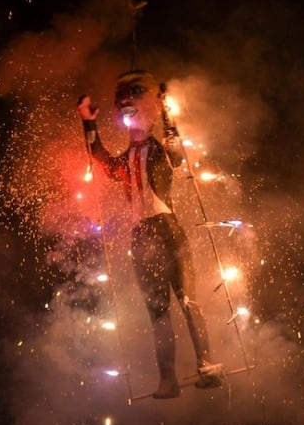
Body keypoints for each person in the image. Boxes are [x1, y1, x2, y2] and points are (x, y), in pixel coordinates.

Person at [78, 69, 223, 399]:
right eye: (121, 99)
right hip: (141, 238)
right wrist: (88, 122)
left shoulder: (161, 150)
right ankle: (167, 380)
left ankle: (208, 366)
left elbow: (175, 150)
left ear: (151, 107)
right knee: (157, 312)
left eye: (135, 93)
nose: (126, 103)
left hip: (169, 231)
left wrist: (168, 111)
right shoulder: (127, 158)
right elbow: (99, 157)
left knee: (188, 301)